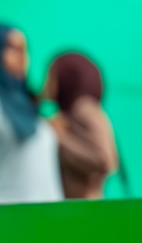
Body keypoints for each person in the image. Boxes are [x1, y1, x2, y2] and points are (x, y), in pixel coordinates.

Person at [0, 24, 62, 203]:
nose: (22, 58)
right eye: (12, 48)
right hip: (2, 222)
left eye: (24, 50)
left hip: (46, 222)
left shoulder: (27, 104)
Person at [46, 52, 119, 200]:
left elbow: (105, 159)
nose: (46, 82)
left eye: (51, 76)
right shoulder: (69, 113)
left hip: (85, 206)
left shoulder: (84, 108)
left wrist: (58, 138)